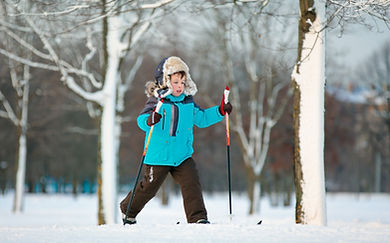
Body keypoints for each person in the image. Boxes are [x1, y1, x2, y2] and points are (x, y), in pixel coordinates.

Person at [120, 56, 232, 224]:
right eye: (175, 82)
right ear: (165, 80)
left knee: (191, 183)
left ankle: (198, 218)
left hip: (182, 155)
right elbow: (141, 121)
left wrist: (220, 111)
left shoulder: (187, 102)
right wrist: (150, 120)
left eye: (182, 82)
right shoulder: (157, 101)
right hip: (159, 155)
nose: (180, 86)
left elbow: (201, 119)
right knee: (149, 188)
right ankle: (128, 210)